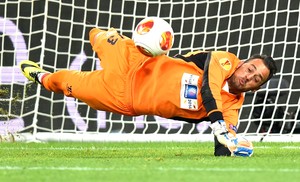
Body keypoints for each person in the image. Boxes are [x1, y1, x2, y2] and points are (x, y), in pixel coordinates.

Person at [20, 27, 277, 157]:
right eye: (251, 68)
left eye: (257, 79)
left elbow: (224, 140)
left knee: (65, 83)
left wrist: (234, 146)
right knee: (100, 35)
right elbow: (209, 88)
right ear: (242, 62)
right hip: (136, 61)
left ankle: (41, 76)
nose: (249, 77)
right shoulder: (223, 61)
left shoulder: (232, 107)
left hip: (123, 98)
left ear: (258, 87)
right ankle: (99, 39)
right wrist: (219, 124)